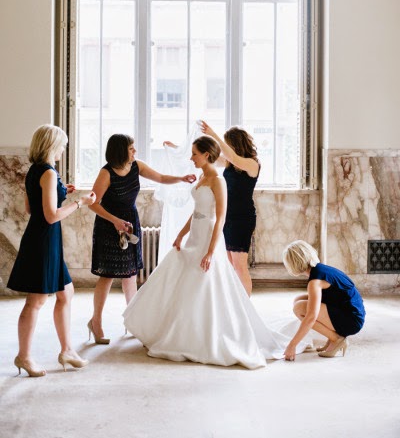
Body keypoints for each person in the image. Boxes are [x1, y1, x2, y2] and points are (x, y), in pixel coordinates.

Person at [123, 136, 306, 369]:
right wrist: (180, 234)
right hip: (195, 233)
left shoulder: (218, 181)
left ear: (206, 155)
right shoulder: (201, 177)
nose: (191, 158)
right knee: (181, 277)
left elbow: (220, 218)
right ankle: (175, 330)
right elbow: (197, 211)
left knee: (204, 280)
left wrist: (210, 252)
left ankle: (204, 335)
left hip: (208, 236)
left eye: (194, 154)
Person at [87, 133, 196, 344]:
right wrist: (115, 221)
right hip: (109, 226)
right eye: (131, 148)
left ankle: (132, 321)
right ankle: (96, 322)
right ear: (120, 151)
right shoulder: (106, 173)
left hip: (130, 222)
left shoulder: (137, 166)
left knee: (130, 274)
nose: (135, 151)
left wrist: (181, 179)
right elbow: (93, 203)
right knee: (107, 276)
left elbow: (161, 178)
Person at [7, 124, 96, 376]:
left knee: (66, 293)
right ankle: (24, 357)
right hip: (43, 242)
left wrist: (60, 192)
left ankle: (67, 350)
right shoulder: (48, 173)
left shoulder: (36, 171)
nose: (63, 150)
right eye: (62, 145)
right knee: (36, 301)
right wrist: (80, 202)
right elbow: (51, 216)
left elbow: (30, 208)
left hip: (42, 239)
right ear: (52, 145)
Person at [200, 121, 259, 295]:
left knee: (240, 265)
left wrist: (213, 134)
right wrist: (178, 149)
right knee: (230, 264)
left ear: (235, 144)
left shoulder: (252, 164)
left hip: (243, 219)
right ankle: (236, 300)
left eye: (227, 144)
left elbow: (233, 157)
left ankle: (245, 304)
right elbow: (208, 158)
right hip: (227, 217)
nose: (225, 148)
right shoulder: (229, 162)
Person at [282, 240, 366, 361]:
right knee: (299, 299)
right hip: (352, 313)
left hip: (352, 321)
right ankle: (332, 337)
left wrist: (292, 345)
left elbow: (311, 317)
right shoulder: (320, 269)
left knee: (299, 308)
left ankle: (336, 339)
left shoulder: (315, 281)